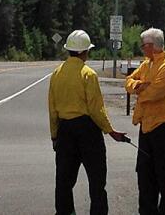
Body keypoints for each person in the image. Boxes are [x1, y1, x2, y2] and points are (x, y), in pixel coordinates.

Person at [48, 29, 130, 215]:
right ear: (85, 52)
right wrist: (110, 131)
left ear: (69, 50)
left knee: (63, 180)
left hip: (65, 130)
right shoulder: (88, 74)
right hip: (87, 130)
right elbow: (96, 109)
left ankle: (65, 212)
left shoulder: (56, 74)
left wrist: (54, 135)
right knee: (96, 180)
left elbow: (52, 109)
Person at [125, 27, 165, 215]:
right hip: (146, 126)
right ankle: (147, 210)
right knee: (144, 173)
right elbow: (128, 80)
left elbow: (155, 93)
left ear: (152, 46)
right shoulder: (147, 63)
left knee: (163, 173)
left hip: (163, 126)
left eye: (144, 45)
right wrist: (138, 85)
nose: (142, 49)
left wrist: (141, 90)